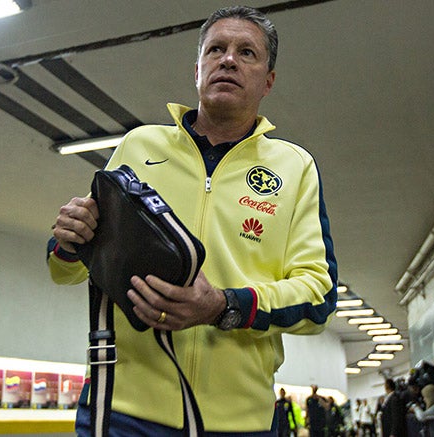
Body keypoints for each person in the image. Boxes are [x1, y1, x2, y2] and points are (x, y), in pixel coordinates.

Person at [47, 5, 337, 435]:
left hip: (238, 424)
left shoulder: (295, 167)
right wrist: (71, 241)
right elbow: (66, 270)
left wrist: (225, 306)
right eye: (215, 49)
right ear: (197, 69)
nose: (228, 60)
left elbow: (318, 297)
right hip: (122, 412)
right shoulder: (139, 144)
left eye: (247, 53)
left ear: (268, 81)